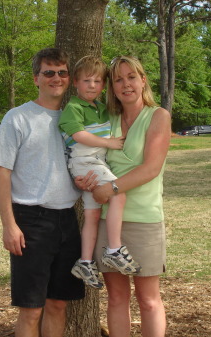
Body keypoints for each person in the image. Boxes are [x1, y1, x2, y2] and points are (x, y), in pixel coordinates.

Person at [0, 48, 85, 337]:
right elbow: (1, 172)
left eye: (62, 72)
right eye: (49, 73)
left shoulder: (76, 119)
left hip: (68, 221)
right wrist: (9, 225)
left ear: (69, 78)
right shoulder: (18, 118)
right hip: (30, 222)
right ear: (36, 78)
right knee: (31, 309)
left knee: (58, 305)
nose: (56, 78)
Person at [78, 56, 171, 336]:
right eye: (118, 79)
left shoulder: (158, 116)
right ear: (112, 87)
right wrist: (83, 177)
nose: (126, 84)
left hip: (144, 219)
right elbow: (90, 154)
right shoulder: (108, 119)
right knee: (117, 298)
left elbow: (151, 168)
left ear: (143, 81)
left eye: (132, 77)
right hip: (108, 220)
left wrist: (111, 188)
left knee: (148, 300)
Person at [58, 56, 141, 290]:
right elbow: (79, 136)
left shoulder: (102, 109)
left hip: (95, 164)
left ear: (103, 85)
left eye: (97, 81)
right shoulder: (73, 108)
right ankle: (114, 249)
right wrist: (110, 143)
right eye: (86, 81)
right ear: (75, 82)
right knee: (119, 195)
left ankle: (85, 261)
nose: (92, 86)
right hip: (86, 162)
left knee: (92, 215)